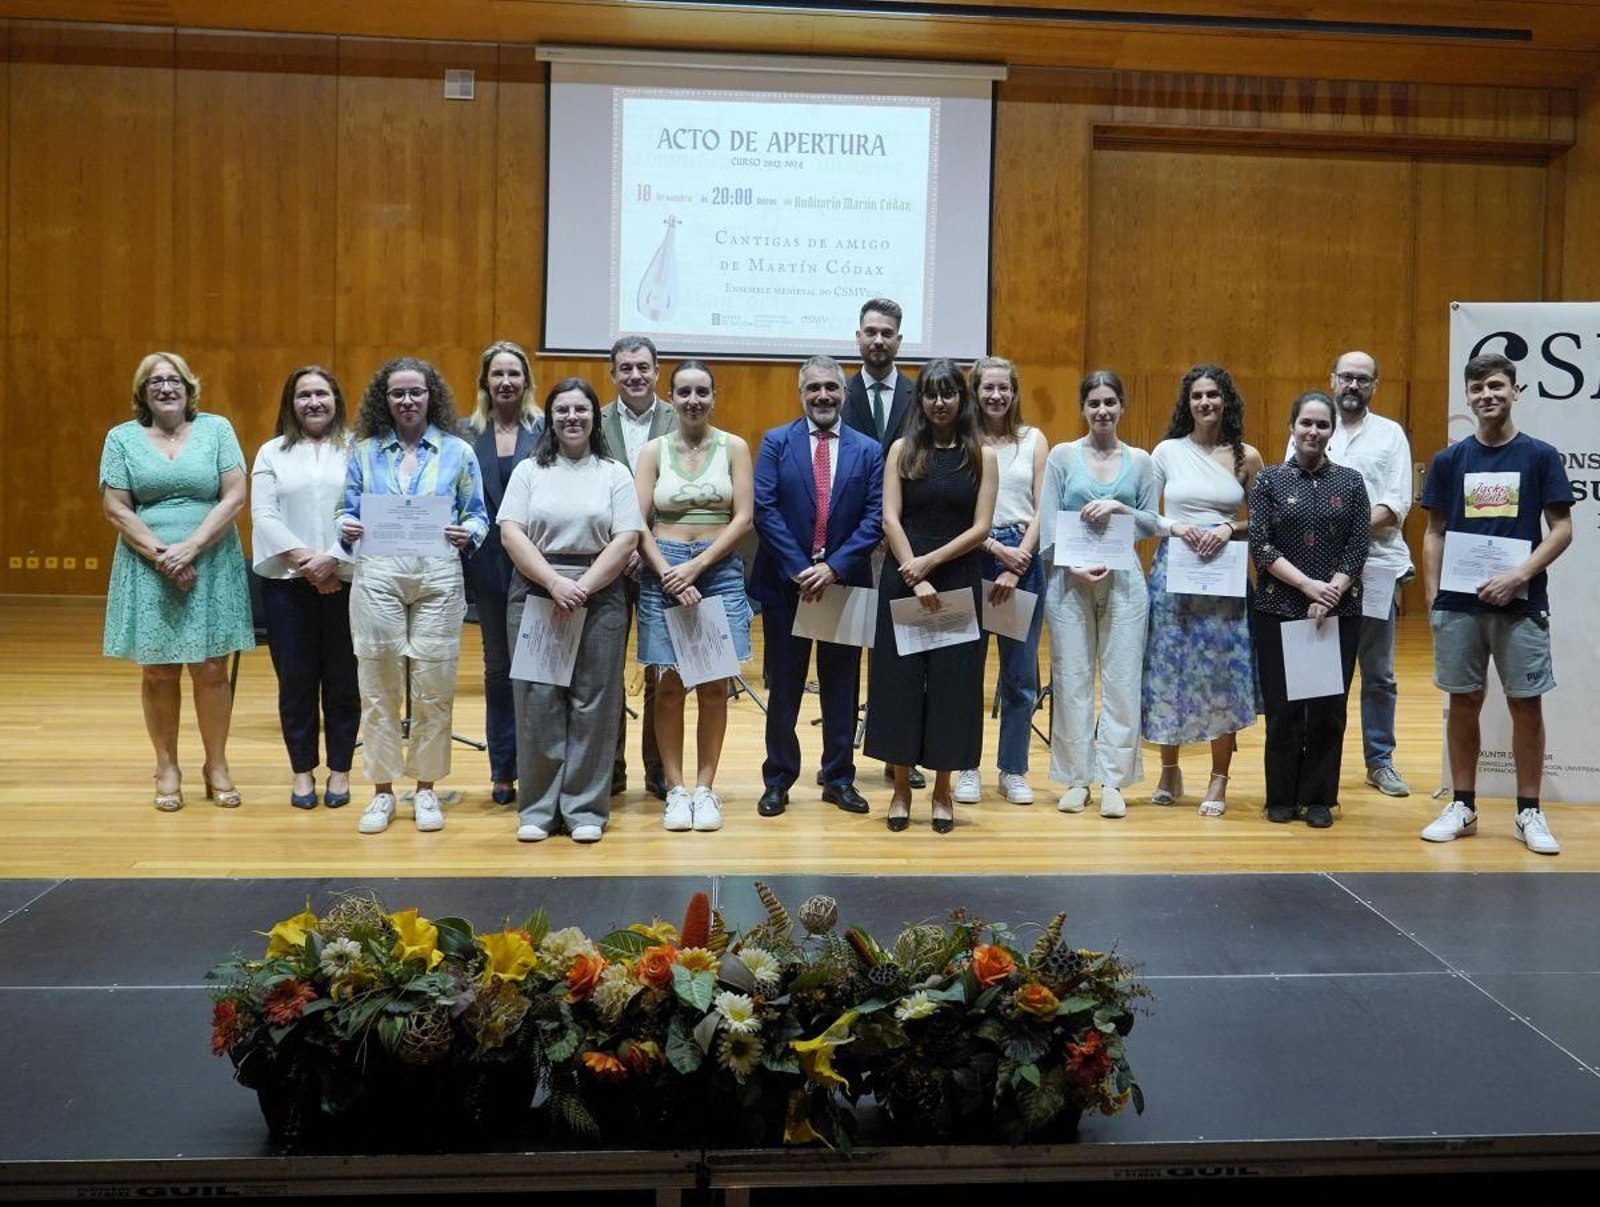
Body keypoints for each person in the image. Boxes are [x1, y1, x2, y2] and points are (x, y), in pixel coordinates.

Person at [1419, 352, 1573, 856]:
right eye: (1478, 388)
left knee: (1525, 705)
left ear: (1515, 391)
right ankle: (1463, 805)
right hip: (1459, 607)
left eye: (1497, 386)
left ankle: (1529, 811)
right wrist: (1434, 599)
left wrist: (1519, 575)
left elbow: (1562, 529)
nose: (1488, 395)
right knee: (1463, 702)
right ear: (1467, 396)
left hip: (1521, 605)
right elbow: (1434, 532)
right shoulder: (1449, 461)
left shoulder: (1539, 456)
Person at [336, 358, 489, 836]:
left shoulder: (458, 452)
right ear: (385, 399)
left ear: (431, 397)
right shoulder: (362, 452)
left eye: (415, 393)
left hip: (438, 574)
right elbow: (344, 509)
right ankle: (381, 792)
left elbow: (478, 514)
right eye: (398, 394)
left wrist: (467, 533)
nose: (407, 401)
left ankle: (425, 788)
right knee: (378, 685)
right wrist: (346, 526)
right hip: (378, 571)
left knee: (433, 686)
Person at [99, 352, 255, 811]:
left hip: (211, 560)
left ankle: (217, 764)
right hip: (147, 565)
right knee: (159, 670)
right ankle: (166, 766)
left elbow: (235, 496)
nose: (165, 389)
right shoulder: (121, 438)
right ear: (142, 393)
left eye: (174, 381)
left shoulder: (217, 429)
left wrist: (192, 548)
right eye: (155, 383)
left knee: (211, 670)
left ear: (190, 389)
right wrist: (164, 554)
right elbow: (116, 507)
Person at [499, 379, 644, 843]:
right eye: (562, 410)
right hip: (539, 590)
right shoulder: (528, 470)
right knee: (538, 699)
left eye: (581, 409)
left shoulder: (614, 472)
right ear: (551, 418)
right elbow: (511, 533)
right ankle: (540, 809)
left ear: (594, 418)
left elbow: (626, 539)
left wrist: (581, 586)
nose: (572, 417)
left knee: (593, 702)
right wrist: (554, 582)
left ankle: (584, 809)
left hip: (599, 592)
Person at [864, 358, 999, 834]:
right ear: (919, 401)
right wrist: (914, 573)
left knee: (952, 687)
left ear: (962, 400)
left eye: (949, 394)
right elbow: (890, 519)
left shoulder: (980, 454)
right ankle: (901, 788)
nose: (940, 403)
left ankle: (943, 790)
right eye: (930, 394)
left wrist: (932, 564)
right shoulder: (903, 448)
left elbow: (982, 527)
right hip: (907, 579)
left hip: (956, 578)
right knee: (900, 684)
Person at [750, 355, 885, 818]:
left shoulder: (868, 450)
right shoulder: (776, 442)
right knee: (784, 687)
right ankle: (778, 779)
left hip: (845, 585)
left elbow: (875, 518)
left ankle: (839, 777)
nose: (823, 395)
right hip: (788, 585)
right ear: (801, 394)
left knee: (842, 686)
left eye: (831, 387)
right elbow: (763, 509)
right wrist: (800, 568)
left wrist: (833, 568)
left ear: (844, 393)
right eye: (814, 389)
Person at [1285, 351, 1414, 798]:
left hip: (1377, 567)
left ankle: (1380, 761)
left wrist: (1348, 533)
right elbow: (1291, 492)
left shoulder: (1390, 435)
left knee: (1378, 672)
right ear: (1333, 378)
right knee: (1318, 670)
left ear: (1375, 385)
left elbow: (1397, 503)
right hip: (1317, 574)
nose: (1353, 385)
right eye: (1346, 377)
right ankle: (1314, 761)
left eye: (1363, 379)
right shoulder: (1312, 424)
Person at [634, 359, 755, 833]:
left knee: (712, 686)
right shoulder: (653, 451)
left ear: (713, 396)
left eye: (701, 392)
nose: (692, 400)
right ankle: (676, 789)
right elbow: (636, 521)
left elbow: (743, 518)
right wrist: (667, 571)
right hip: (662, 570)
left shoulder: (735, 447)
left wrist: (697, 567)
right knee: (667, 688)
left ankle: (706, 790)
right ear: (671, 396)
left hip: (717, 568)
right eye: (683, 392)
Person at [1143, 364, 1264, 817]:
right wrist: (1179, 527)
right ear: (1187, 403)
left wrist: (1230, 527)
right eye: (1197, 396)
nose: (1205, 403)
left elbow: (1265, 522)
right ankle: (1169, 769)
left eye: (1213, 395)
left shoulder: (1245, 456)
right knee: (1169, 670)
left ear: (1226, 400)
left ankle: (1219, 778)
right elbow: (1144, 514)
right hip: (1174, 574)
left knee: (1222, 678)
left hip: (1225, 583)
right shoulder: (1167, 452)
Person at [1041, 371, 1160, 818]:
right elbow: (1049, 521)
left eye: (1110, 402)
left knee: (1122, 681)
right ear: (1083, 408)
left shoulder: (1142, 461)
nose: (1103, 411)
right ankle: (1076, 777)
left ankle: (1113, 778)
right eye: (1094, 403)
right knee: (1071, 679)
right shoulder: (1062, 457)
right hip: (1070, 580)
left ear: (1122, 406)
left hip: (1125, 579)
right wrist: (1069, 564)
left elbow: (1151, 522)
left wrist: (1120, 506)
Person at [1251, 392, 1370, 828]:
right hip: (1278, 608)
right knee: (1283, 708)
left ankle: (1319, 797)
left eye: (1322, 425)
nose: (1313, 432)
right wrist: (1308, 588)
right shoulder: (1268, 481)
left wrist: (1332, 592)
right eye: (1306, 423)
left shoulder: (1351, 482)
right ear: (1292, 427)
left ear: (1332, 431)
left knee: (1327, 708)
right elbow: (1261, 546)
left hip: (1338, 612)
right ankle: (1280, 794)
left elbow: (1359, 545)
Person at [250, 366, 359, 810]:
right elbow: (264, 514)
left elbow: (364, 510)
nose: (314, 402)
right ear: (290, 404)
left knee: (343, 680)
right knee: (295, 682)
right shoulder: (271, 452)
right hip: (287, 584)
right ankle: (301, 772)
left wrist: (332, 559)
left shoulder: (359, 449)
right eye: (304, 395)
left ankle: (340, 770)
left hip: (346, 580)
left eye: (322, 394)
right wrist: (308, 562)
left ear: (336, 399)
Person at [952, 357, 1048, 807]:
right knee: (966, 669)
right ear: (975, 391)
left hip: (1022, 560)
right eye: (987, 388)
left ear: (1014, 393)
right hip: (975, 556)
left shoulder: (1032, 440)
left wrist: (1017, 562)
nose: (996, 396)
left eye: (1003, 389)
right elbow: (959, 513)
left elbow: (1042, 507)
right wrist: (994, 550)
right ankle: (966, 766)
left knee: (1019, 674)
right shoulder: (962, 440)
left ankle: (1012, 769)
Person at [840, 297, 926, 790]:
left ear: (899, 340)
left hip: (906, 545)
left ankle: (902, 755)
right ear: (858, 337)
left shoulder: (919, 397)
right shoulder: (835, 393)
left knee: (906, 654)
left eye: (886, 333)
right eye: (870, 331)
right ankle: (843, 761)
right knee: (848, 653)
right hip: (851, 547)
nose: (877, 340)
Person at [461, 340, 542, 806]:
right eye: (497, 375)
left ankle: (539, 765)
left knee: (541, 669)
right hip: (488, 568)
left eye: (514, 374)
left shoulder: (547, 429)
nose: (506, 382)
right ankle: (503, 769)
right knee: (500, 670)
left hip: (539, 565)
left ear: (526, 382)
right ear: (485, 383)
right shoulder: (464, 434)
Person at [599, 335, 676, 801]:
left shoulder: (678, 415)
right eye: (625, 368)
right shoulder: (596, 419)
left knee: (658, 671)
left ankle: (657, 769)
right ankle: (609, 769)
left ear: (657, 370)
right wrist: (620, 547)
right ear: (613, 373)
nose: (635, 376)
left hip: (661, 560)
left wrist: (643, 549)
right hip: (607, 563)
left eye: (643, 367)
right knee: (605, 671)